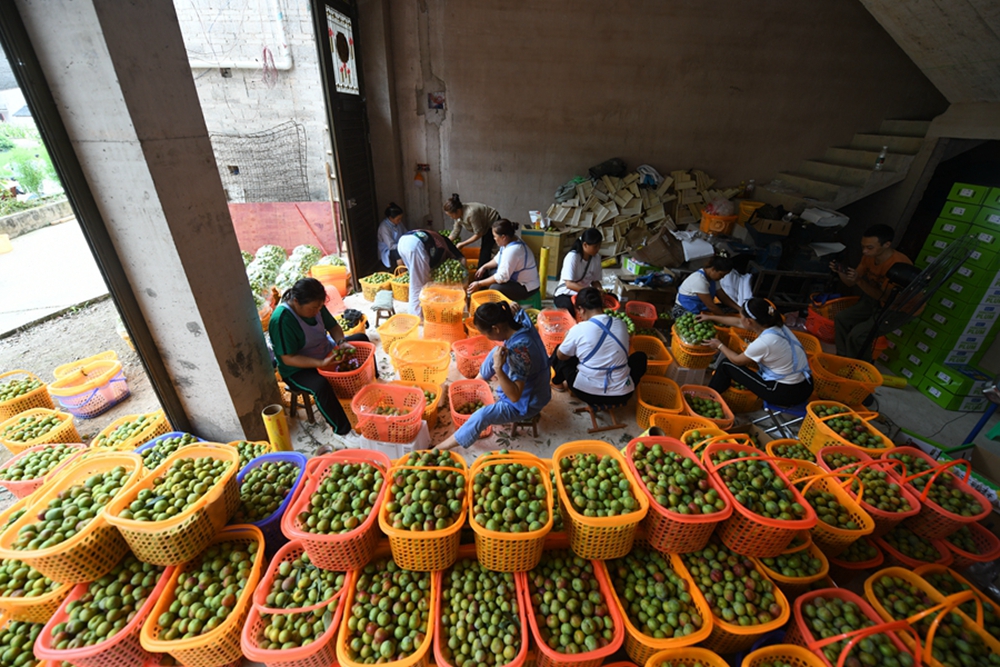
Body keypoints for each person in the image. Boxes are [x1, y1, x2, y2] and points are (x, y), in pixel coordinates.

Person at [434, 302, 551, 450]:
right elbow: (516, 308)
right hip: (538, 381)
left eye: (485, 333)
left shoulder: (519, 351)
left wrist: (498, 368)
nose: (486, 337)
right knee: (496, 351)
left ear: (495, 328)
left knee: (482, 416)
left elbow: (515, 396)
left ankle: (437, 449)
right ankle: (475, 386)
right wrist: (514, 309)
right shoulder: (520, 321)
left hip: (529, 401)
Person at [269, 278, 371, 436]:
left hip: (325, 351)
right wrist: (321, 362)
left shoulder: (316, 304)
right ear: (296, 301)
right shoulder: (282, 320)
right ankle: (342, 431)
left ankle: (371, 388)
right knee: (320, 386)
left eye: (319, 307)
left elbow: (334, 326)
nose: (317, 311)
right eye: (313, 308)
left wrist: (341, 342)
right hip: (297, 369)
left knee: (362, 340)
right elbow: (288, 358)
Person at [698, 298, 813, 407]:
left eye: (742, 316)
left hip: (784, 393)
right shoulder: (778, 326)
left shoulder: (765, 342)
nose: (740, 319)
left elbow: (737, 361)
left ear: (749, 321)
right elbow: (738, 322)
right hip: (806, 385)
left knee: (726, 365)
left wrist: (719, 345)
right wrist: (710, 317)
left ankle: (708, 398)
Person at [551, 287, 648, 404]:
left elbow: (561, 357)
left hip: (587, 393)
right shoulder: (621, 324)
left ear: (581, 309)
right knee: (640, 357)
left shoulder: (579, 329)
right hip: (622, 395)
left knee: (562, 350)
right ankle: (622, 385)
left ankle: (557, 382)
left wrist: (567, 339)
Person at [830, 224, 912, 360]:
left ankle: (860, 367)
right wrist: (840, 271)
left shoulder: (898, 265)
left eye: (869, 248)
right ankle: (842, 358)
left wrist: (859, 281)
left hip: (899, 307)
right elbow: (851, 281)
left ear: (886, 244)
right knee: (842, 318)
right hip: (875, 298)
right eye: (863, 247)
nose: (864, 251)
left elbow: (885, 297)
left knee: (858, 335)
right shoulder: (869, 256)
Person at [397, 229, 465, 318]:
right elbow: (462, 259)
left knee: (415, 281)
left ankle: (417, 313)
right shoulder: (446, 244)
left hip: (402, 242)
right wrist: (464, 275)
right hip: (416, 246)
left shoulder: (435, 239)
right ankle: (416, 316)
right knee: (419, 285)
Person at [467, 219, 540, 301]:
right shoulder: (509, 241)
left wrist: (479, 284)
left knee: (494, 288)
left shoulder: (513, 251)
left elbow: (502, 277)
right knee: (490, 271)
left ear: (503, 237)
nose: (494, 239)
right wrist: (484, 267)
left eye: (495, 236)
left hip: (526, 287)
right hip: (515, 280)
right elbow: (498, 259)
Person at [553, 228, 604, 316]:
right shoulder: (572, 257)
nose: (598, 249)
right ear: (585, 245)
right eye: (595, 246)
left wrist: (599, 289)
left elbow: (595, 281)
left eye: (599, 246)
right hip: (566, 293)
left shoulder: (596, 258)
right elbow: (569, 284)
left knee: (601, 305)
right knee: (569, 309)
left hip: (584, 293)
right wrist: (589, 291)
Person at [672, 255, 739, 317]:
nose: (722, 277)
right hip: (683, 310)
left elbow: (723, 297)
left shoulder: (713, 279)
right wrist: (727, 320)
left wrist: (739, 308)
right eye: (721, 275)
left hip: (701, 307)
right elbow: (711, 306)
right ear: (713, 269)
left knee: (732, 310)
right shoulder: (699, 280)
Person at [443, 193, 501, 264]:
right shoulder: (458, 215)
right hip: (484, 226)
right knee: (487, 252)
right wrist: (445, 243)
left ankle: (485, 272)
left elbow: (479, 233)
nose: (451, 217)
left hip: (492, 222)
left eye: (451, 215)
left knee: (486, 252)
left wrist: (462, 244)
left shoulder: (471, 213)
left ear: (457, 211)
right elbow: (456, 231)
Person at [377, 202, 407, 270]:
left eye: (400, 218)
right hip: (388, 250)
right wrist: (402, 246)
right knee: (398, 253)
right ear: (390, 218)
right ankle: (402, 273)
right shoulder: (384, 227)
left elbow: (405, 233)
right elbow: (391, 246)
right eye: (398, 219)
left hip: (398, 245)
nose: (400, 221)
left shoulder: (398, 223)